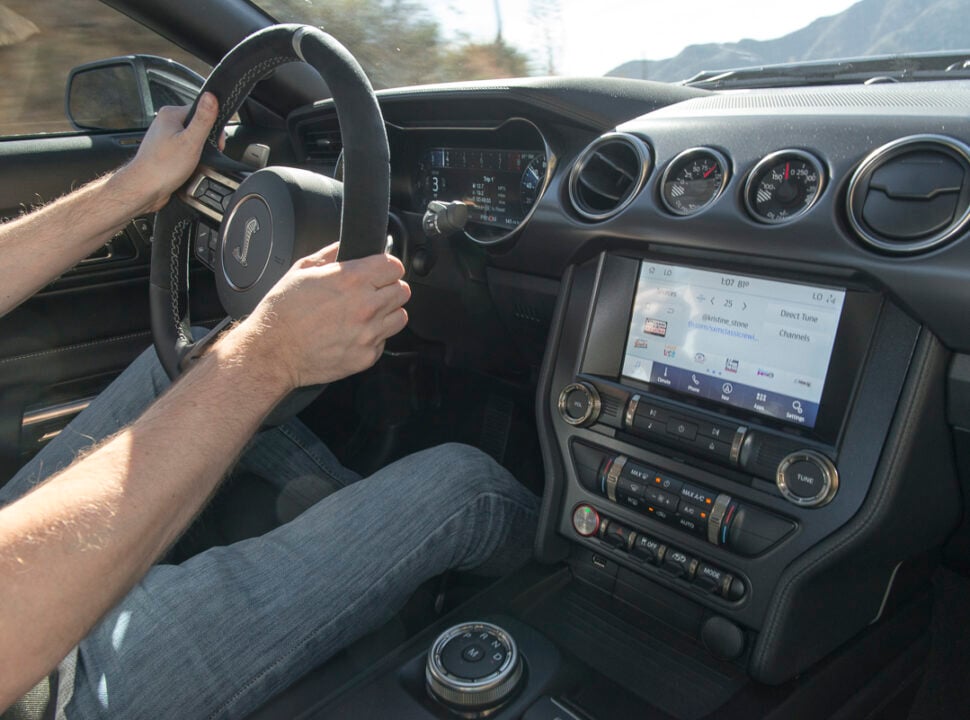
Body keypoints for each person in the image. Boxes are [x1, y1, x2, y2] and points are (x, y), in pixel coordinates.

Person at [0, 93, 538, 718]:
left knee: (184, 365)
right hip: (45, 681)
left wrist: (136, 187)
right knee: (460, 485)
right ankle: (565, 576)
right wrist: (270, 355)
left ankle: (364, 530)